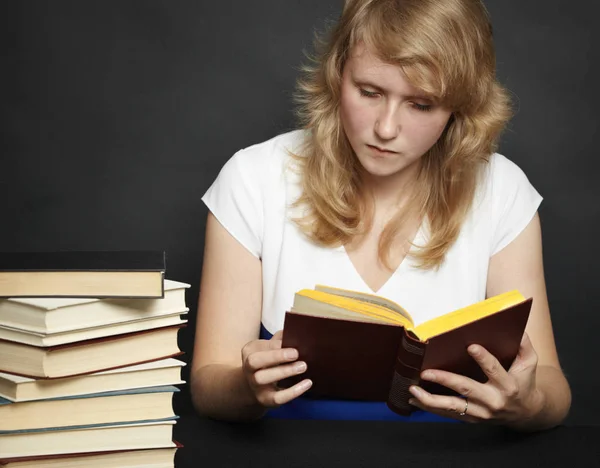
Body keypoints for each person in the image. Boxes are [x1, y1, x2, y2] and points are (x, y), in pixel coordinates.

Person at [190, 0, 571, 431]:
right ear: (337, 75)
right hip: (291, 452)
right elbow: (208, 387)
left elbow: (554, 390)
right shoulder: (253, 178)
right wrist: (245, 387)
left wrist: (528, 404)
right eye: (369, 92)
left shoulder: (501, 190)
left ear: (460, 106)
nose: (386, 128)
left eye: (422, 105)